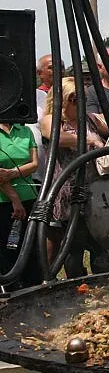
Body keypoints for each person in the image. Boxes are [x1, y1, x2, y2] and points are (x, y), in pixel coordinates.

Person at [40, 77, 109, 275]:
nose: (78, 102)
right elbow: (57, 137)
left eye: (81, 98)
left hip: (95, 191)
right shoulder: (52, 120)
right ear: (61, 100)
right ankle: (76, 285)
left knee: (100, 242)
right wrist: (87, 140)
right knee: (73, 245)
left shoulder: (90, 119)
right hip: (68, 191)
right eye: (73, 98)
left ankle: (102, 284)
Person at [0, 118, 41, 287]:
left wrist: (12, 172)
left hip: (29, 198)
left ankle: (32, 287)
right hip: (3, 202)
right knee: (8, 249)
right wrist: (15, 200)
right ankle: (10, 288)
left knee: (31, 247)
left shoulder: (25, 131)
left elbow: (34, 164)